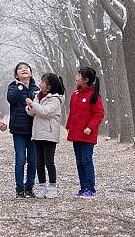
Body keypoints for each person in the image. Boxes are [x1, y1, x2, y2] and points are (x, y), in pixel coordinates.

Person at [66, 66, 105, 198]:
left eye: (78, 76)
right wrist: (69, 125)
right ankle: (83, 188)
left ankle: (90, 188)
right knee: (79, 161)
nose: (76, 78)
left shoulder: (93, 95)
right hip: (76, 134)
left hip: (87, 135)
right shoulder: (75, 95)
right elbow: (73, 113)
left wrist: (90, 127)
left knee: (86, 160)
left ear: (86, 80)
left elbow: (99, 114)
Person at [25, 73, 65, 199]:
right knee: (39, 162)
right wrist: (30, 106)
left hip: (49, 134)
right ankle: (42, 187)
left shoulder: (56, 99)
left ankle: (52, 187)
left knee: (49, 161)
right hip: (37, 133)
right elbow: (32, 113)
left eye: (43, 81)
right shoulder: (38, 96)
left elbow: (45, 112)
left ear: (49, 86)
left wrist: (33, 104)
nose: (40, 83)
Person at [7, 61, 39, 198]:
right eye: (20, 69)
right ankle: (19, 189)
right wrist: (20, 86)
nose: (24, 69)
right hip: (18, 129)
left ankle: (29, 187)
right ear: (16, 75)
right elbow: (11, 99)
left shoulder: (36, 88)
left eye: (27, 68)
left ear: (31, 73)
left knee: (33, 160)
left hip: (34, 129)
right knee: (20, 159)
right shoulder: (13, 87)